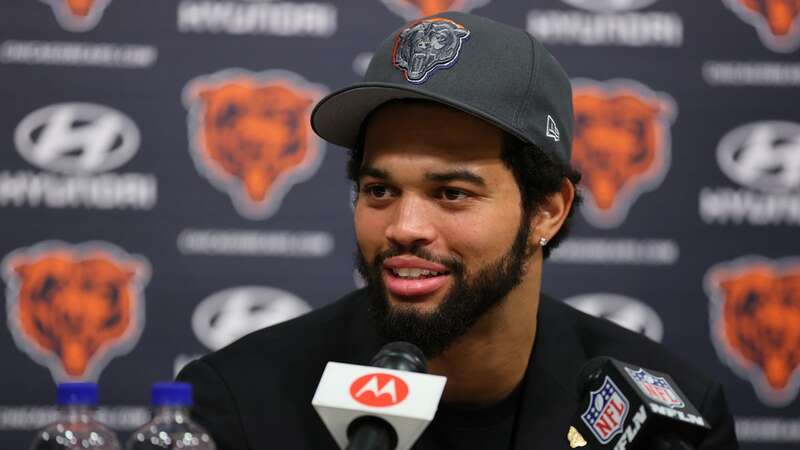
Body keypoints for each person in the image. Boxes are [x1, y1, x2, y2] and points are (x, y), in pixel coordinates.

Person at [177, 11, 739, 450]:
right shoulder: (241, 402)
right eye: (380, 191)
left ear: (547, 209)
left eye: (452, 193)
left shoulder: (668, 422)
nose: (404, 228)